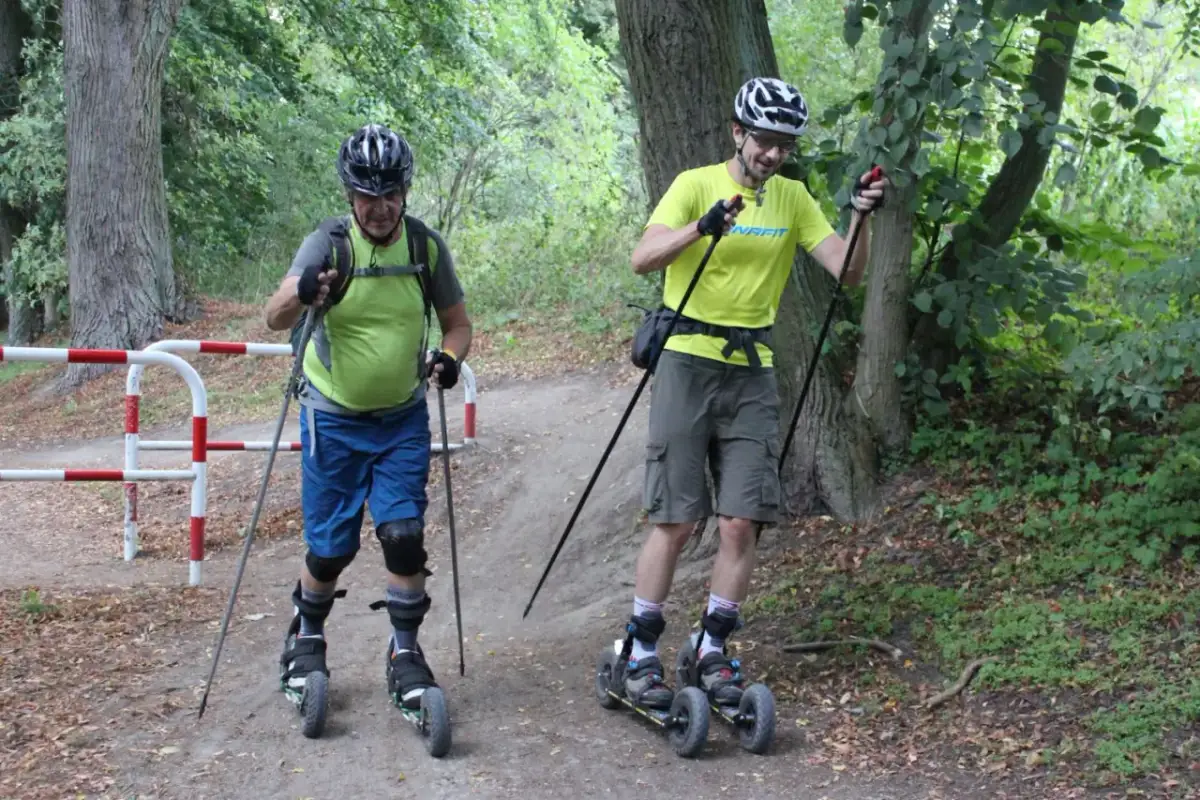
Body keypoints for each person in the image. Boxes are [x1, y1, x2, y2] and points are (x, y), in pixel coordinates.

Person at [618, 77, 885, 710]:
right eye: (764, 142)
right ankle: (641, 648)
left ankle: (712, 646)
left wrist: (861, 216)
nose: (772, 155)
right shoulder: (695, 184)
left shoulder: (791, 199)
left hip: (751, 368)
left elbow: (847, 272)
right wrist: (701, 228)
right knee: (678, 518)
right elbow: (643, 258)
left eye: (783, 146)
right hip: (686, 359)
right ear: (738, 133)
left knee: (742, 521)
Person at [264, 122, 473, 714]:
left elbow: (458, 325)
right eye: (366, 195)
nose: (379, 207)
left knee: (403, 538)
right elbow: (274, 317)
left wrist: (449, 360)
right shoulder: (327, 245)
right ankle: (306, 640)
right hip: (332, 419)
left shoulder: (424, 248)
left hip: (402, 418)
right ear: (348, 194)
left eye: (390, 194)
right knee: (330, 549)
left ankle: (404, 655)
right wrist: (305, 289)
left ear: (404, 191)